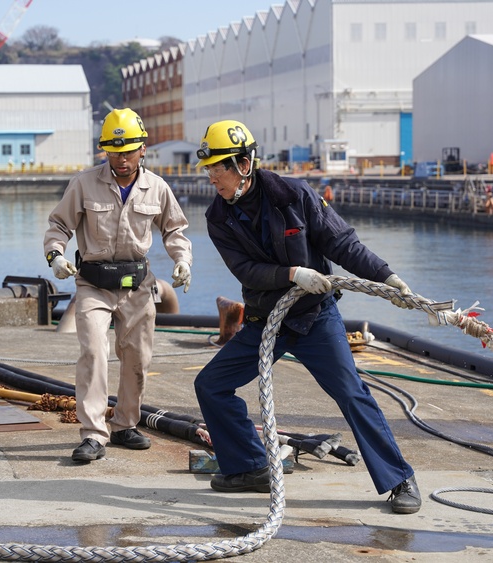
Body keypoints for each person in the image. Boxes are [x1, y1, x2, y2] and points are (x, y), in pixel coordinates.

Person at [191, 119, 421, 514]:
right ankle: (249, 466)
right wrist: (293, 275)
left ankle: (400, 479)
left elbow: (342, 243)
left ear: (244, 164)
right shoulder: (218, 216)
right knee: (211, 385)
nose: (212, 177)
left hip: (315, 318)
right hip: (266, 322)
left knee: (350, 392)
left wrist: (387, 277)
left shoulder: (293, 195)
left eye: (219, 168)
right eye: (209, 169)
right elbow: (245, 270)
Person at [43, 108, 192, 463]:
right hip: (94, 283)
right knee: (94, 353)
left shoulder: (156, 187)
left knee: (137, 358)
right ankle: (94, 434)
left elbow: (174, 229)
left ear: (143, 149)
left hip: (138, 285)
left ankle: (125, 424)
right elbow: (59, 225)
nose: (121, 159)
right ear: (104, 151)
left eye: (128, 152)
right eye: (114, 152)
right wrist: (55, 256)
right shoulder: (84, 184)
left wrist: (183, 260)